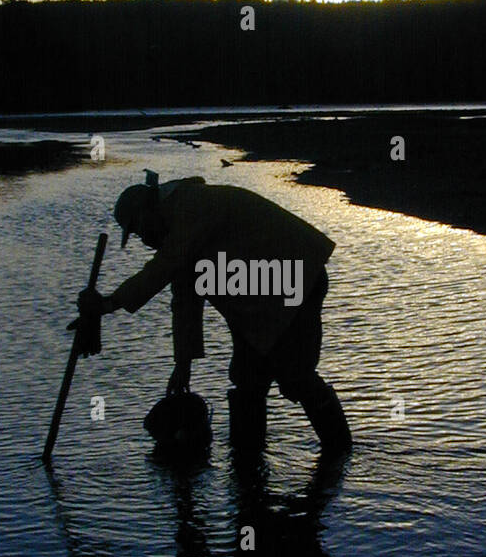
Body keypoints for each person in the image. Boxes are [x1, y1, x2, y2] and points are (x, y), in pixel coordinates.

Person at [76, 175, 352, 456]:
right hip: (257, 296)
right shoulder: (179, 231)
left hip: (296, 279)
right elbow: (185, 301)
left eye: (138, 230)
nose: (144, 240)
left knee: (296, 375)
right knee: (247, 378)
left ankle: (340, 452)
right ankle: (246, 463)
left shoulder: (191, 206)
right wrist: (183, 364)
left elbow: (162, 268)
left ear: (149, 211)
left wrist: (109, 304)